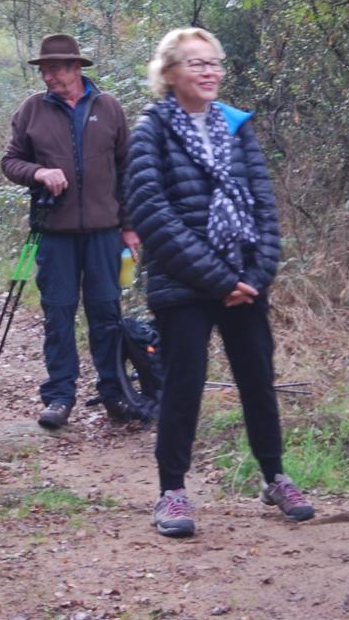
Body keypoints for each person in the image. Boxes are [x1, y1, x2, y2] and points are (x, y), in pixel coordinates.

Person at [124, 27, 313, 537]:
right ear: (168, 74)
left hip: (245, 281)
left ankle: (275, 477)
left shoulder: (236, 125)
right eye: (195, 63)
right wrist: (216, 278)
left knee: (258, 381)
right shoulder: (151, 130)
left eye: (214, 63)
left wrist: (255, 274)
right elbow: (153, 213)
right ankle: (172, 493)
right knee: (182, 385)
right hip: (183, 285)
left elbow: (265, 207)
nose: (209, 72)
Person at [1, 34, 141, 431]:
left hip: (105, 234)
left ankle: (114, 392)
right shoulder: (31, 111)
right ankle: (60, 396)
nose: (50, 76)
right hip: (54, 233)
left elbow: (127, 170)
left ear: (77, 69)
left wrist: (129, 227)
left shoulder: (109, 107)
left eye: (57, 69)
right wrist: (38, 172)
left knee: (107, 313)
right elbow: (10, 162)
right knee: (58, 313)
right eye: (45, 69)